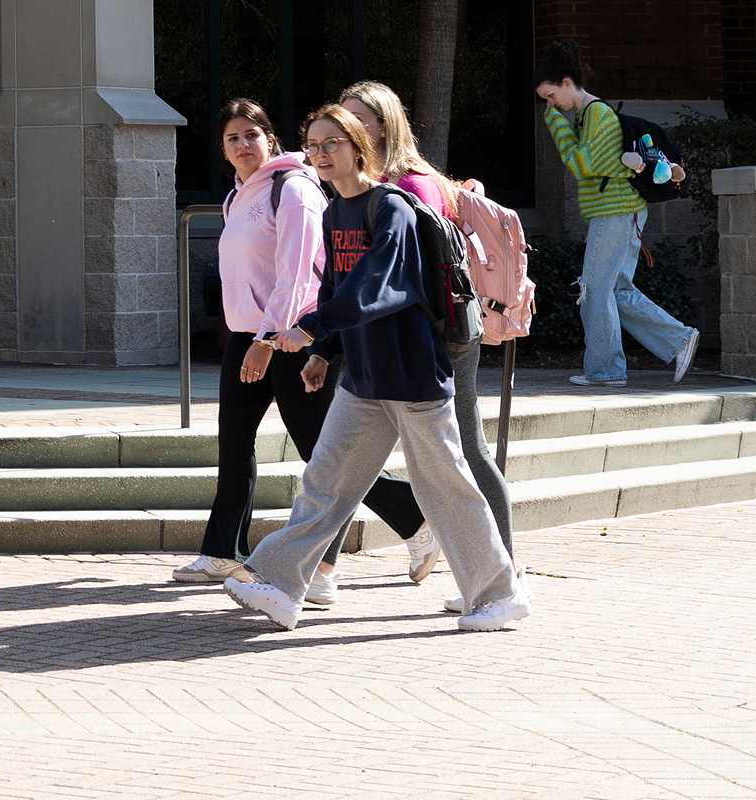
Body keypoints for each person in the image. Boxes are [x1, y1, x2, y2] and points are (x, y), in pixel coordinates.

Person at [226, 105, 529, 633]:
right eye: (314, 146)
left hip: (412, 377)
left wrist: (312, 328)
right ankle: (278, 582)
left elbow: (378, 283)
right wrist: (325, 352)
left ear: (358, 148)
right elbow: (335, 288)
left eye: (332, 144)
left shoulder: (394, 209)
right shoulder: (332, 212)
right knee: (326, 482)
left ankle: (500, 594)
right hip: (364, 379)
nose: (321, 155)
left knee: (445, 487)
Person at [177, 98, 427, 601]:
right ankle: (223, 549)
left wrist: (269, 342)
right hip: (249, 337)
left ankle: (415, 520)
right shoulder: (237, 197)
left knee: (324, 455)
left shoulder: (292, 190)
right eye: (232, 138)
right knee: (234, 443)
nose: (243, 144)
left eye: (252, 134)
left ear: (270, 138)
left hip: (291, 337)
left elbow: (297, 275)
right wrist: (250, 338)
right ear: (223, 150)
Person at [339, 80, 519, 568]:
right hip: (405, 339)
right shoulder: (376, 186)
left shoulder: (412, 186)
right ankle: (317, 569)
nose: (349, 128)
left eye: (361, 120)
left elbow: (405, 276)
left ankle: (504, 569)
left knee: (467, 453)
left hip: (438, 340)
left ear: (385, 125)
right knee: (351, 458)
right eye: (344, 119)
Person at [535, 38, 700, 388]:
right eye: (547, 101)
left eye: (551, 96)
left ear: (567, 82)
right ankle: (679, 340)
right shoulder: (588, 114)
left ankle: (607, 369)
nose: (551, 104)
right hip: (621, 212)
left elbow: (581, 165)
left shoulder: (594, 114)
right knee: (616, 290)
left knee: (593, 290)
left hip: (616, 212)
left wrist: (555, 123)